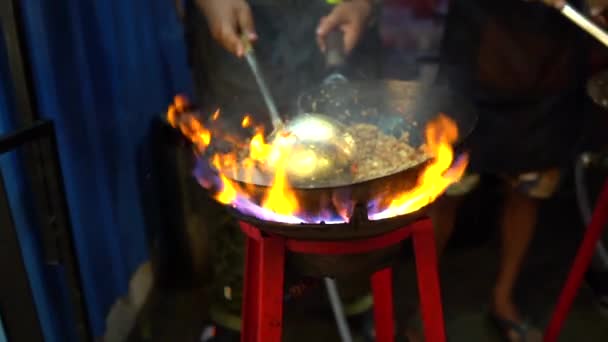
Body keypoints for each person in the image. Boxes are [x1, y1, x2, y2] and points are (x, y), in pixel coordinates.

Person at [181, 0, 383, 339]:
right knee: (243, 156)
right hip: (243, 16)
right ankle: (238, 316)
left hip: (334, 14)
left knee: (348, 141)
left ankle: (355, 298)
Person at [408, 0, 608, 341]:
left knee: (529, 189)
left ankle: (503, 298)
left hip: (550, 69)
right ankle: (418, 304)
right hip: (475, 59)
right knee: (442, 191)